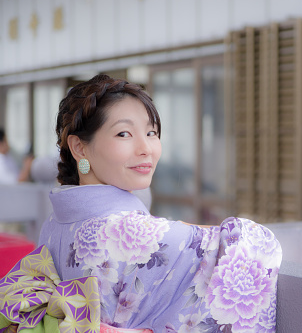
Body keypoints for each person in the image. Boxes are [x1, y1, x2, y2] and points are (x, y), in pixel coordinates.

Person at [0, 75, 282, 333]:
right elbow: (255, 244)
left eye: (151, 132)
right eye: (124, 134)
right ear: (79, 147)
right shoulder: (134, 233)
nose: (146, 148)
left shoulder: (56, 222)